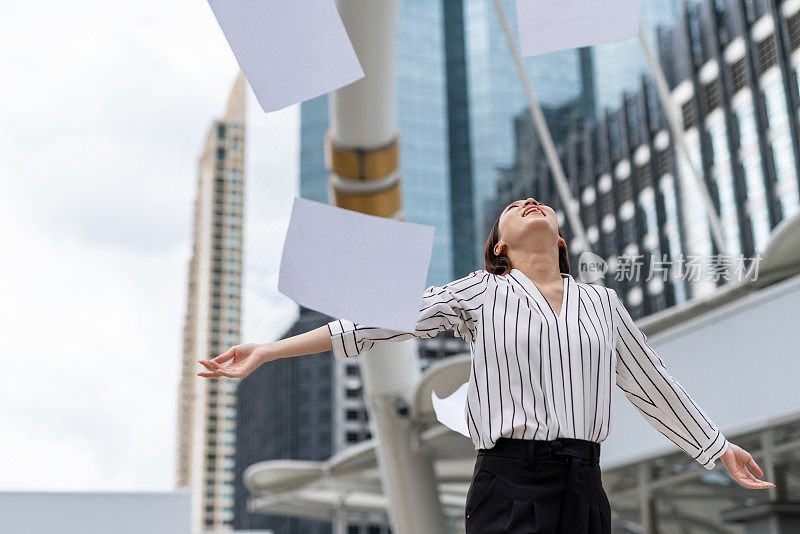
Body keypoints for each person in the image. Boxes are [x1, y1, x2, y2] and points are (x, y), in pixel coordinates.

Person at [198, 197, 775, 533]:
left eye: (539, 204)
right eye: (513, 208)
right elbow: (382, 319)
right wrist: (269, 350)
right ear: (499, 245)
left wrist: (717, 447)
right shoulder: (482, 292)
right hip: (508, 476)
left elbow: (651, 382)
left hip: (583, 479)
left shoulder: (600, 302)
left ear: (561, 237)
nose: (529, 203)